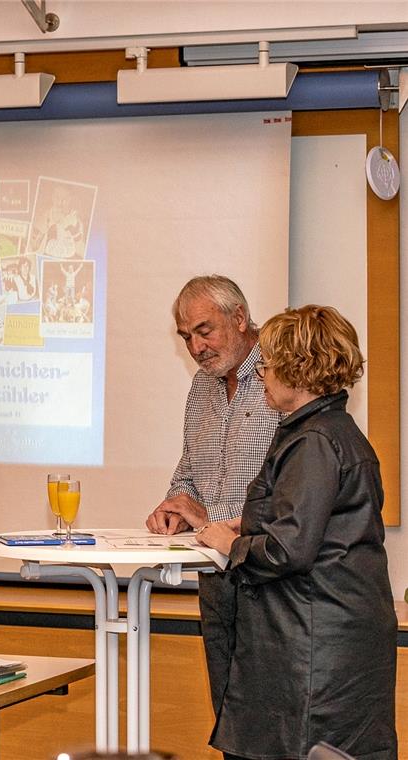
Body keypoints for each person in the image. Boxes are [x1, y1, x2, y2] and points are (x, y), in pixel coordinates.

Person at [193, 305, 397, 760]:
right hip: (327, 636)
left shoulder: (315, 441)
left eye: (267, 363)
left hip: (315, 646)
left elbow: (289, 550)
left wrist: (232, 543)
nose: (261, 373)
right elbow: (316, 521)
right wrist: (250, 523)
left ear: (297, 369)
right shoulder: (327, 431)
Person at [144, 275, 281, 724]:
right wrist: (173, 507)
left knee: (269, 727)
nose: (196, 347)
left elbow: (294, 495)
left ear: (239, 318)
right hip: (215, 581)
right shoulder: (201, 388)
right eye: (187, 337)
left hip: (273, 582)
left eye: (205, 330)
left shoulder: (283, 378)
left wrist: (208, 519)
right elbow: (190, 471)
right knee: (229, 720)